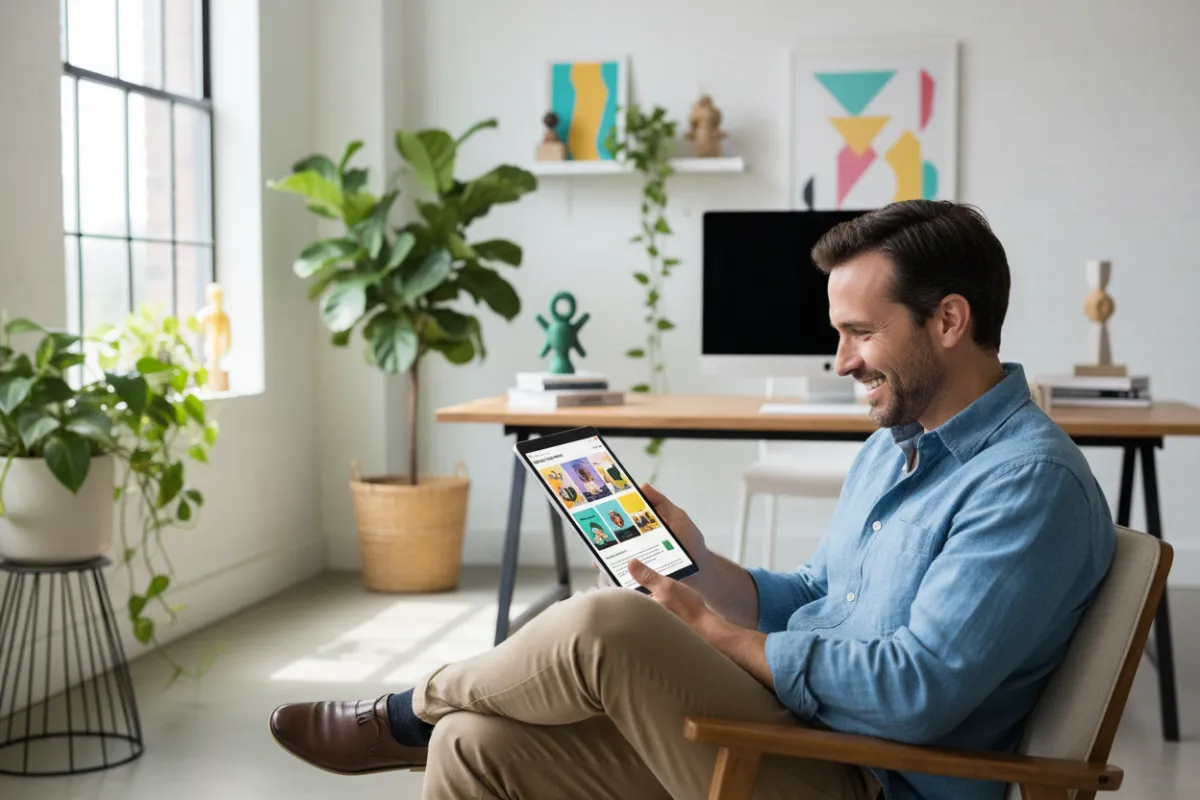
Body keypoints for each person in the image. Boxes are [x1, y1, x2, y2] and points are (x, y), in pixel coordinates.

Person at [269, 201, 1115, 800]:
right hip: (807, 741)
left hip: (872, 779)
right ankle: (434, 717)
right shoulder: (894, 449)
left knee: (607, 624)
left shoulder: (1024, 483)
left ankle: (405, 708)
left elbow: (918, 691)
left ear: (949, 321)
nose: (841, 361)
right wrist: (703, 568)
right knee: (474, 743)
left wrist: (723, 640)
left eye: (860, 332)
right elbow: (822, 596)